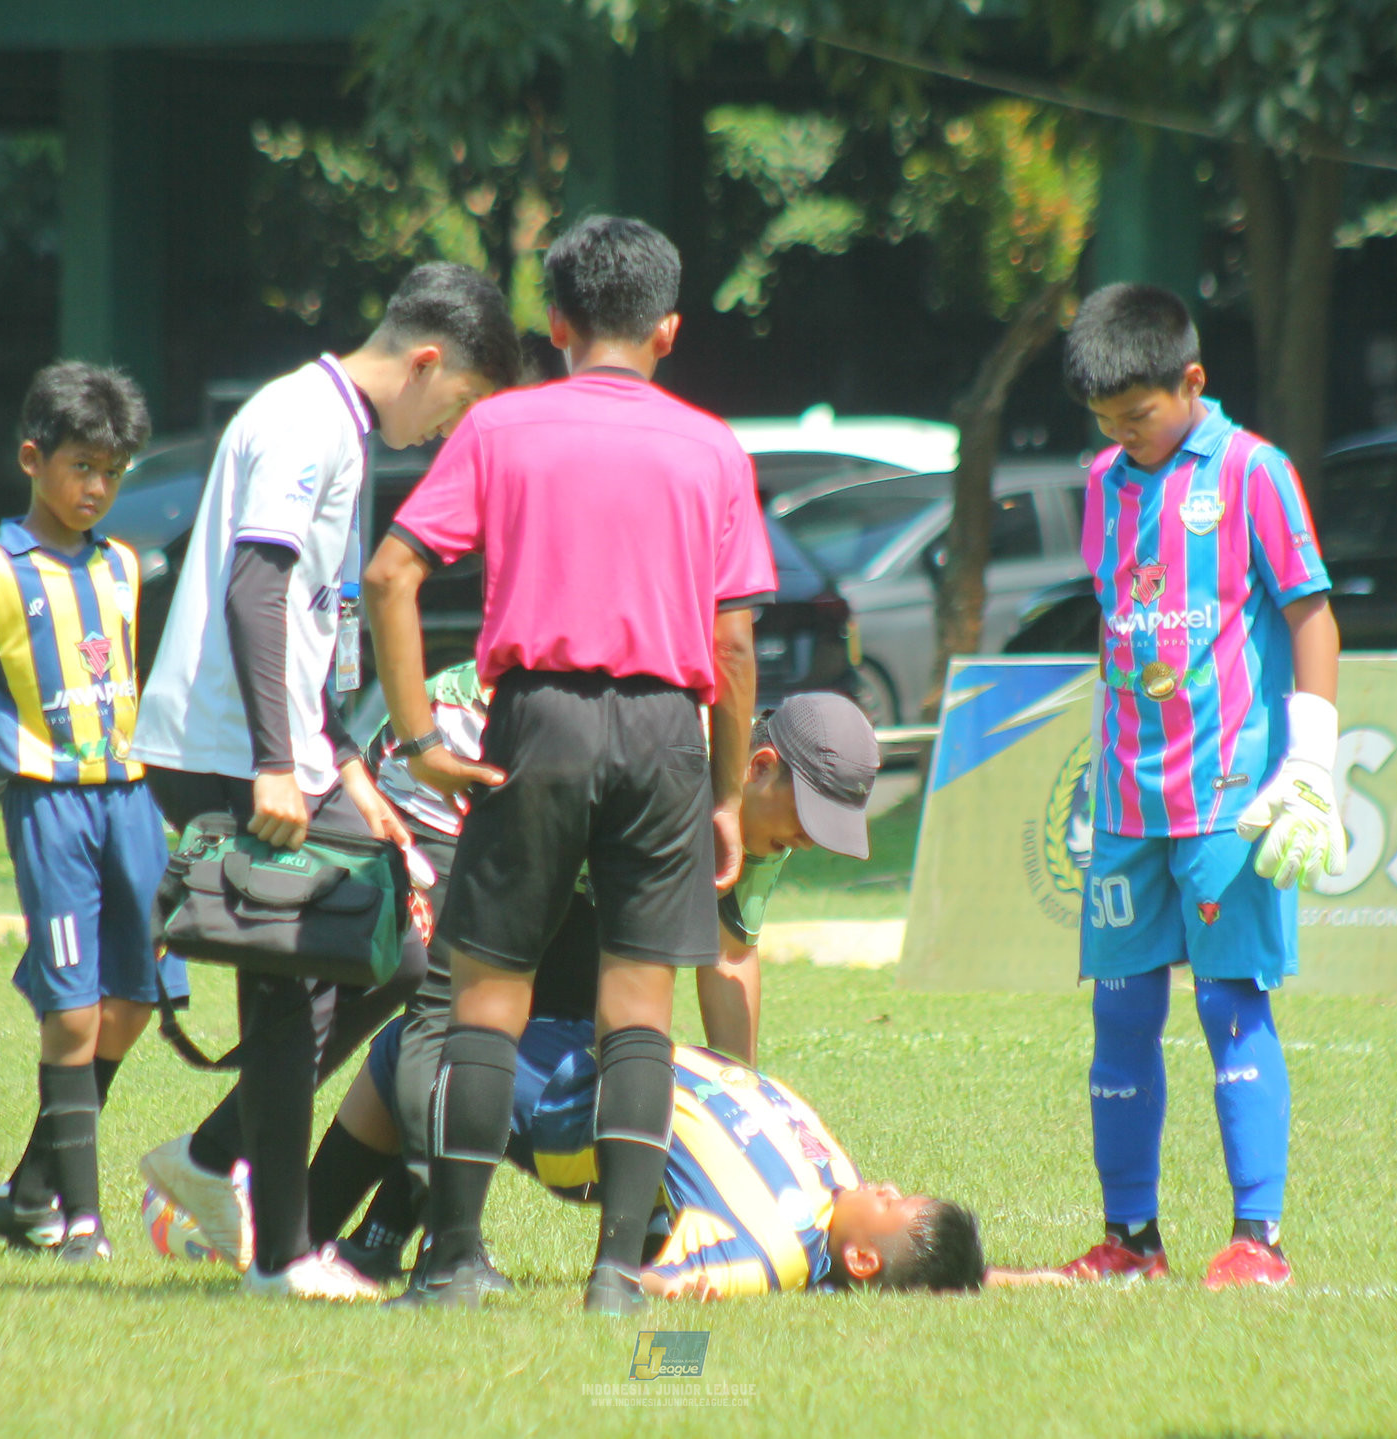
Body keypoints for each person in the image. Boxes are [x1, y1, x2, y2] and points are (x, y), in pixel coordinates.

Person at [363, 215, 777, 1312]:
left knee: (486, 997)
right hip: (661, 735)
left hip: (533, 722)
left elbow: (389, 576)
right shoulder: (712, 448)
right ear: (669, 329)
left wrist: (414, 739)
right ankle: (616, 1274)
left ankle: (451, 1259)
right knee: (637, 1005)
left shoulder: (501, 431)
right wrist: (729, 792)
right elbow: (732, 644)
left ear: (553, 323)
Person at [139, 676, 885, 1285]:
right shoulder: (679, 760)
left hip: (562, 823)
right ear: (756, 768)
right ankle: (377, 1240)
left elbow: (729, 958)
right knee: (453, 1014)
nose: (801, 842)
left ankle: (343, 1231)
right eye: (804, 817)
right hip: (450, 786)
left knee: (541, 1033)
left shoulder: (751, 818)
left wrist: (735, 1099)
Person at [127, 262, 520, 1301]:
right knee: (282, 981)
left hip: (296, 746)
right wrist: (271, 760)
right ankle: (279, 1258)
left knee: (389, 953)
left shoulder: (333, 421)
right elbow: (255, 590)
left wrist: (342, 759)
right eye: (461, 407)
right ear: (427, 360)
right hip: (231, 746)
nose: (448, 434)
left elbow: (309, 618)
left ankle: (212, 1158)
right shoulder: (307, 419)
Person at [1035, 283, 1342, 1290]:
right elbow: (1117, 623)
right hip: (1125, 805)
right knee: (1118, 1014)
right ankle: (1130, 1239)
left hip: (1227, 800)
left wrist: (1309, 757)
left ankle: (1258, 1236)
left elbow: (1309, 615)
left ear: (1191, 381)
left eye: (1140, 414)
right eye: (1106, 421)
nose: (1125, 435)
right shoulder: (1101, 481)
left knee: (1226, 1003)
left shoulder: (1254, 471)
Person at [0, 361, 180, 1263]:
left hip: (130, 800)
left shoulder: (122, 567)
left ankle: (31, 1191)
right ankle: (81, 1219)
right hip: (49, 809)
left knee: (137, 999)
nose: (98, 488)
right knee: (71, 1015)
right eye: (81, 467)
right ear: (33, 459)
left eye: (113, 471)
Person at [326, 1011, 986, 1298]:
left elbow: (673, 1285)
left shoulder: (772, 1248)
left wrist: (668, 1284)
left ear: (863, 1258)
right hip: (614, 1049)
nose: (889, 1185)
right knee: (460, 1017)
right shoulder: (840, 1187)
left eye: (895, 1205)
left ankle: (314, 1229)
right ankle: (368, 1239)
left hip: (580, 1106)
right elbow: (946, 1274)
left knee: (424, 1042)